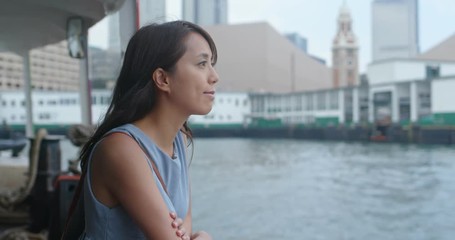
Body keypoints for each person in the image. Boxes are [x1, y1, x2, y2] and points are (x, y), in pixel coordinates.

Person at [76, 20, 218, 239]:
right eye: (202, 64)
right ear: (163, 79)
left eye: (211, 64)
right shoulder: (121, 149)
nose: (214, 76)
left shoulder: (177, 139)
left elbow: (184, 225)